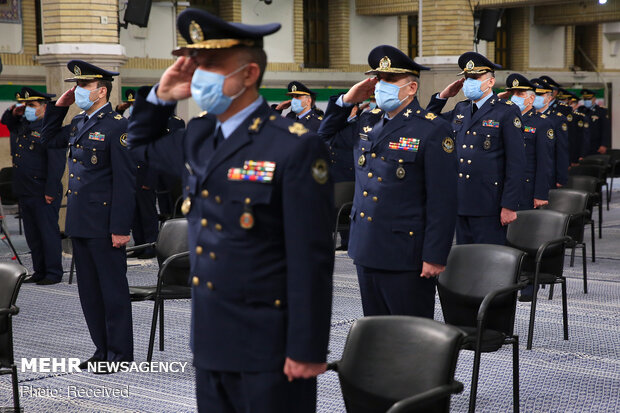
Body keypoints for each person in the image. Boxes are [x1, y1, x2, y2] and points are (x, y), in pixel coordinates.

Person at [126, 9, 334, 412]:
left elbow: (311, 257)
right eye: (196, 63)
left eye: (211, 64)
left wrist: (307, 348)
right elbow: (139, 147)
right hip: (210, 336)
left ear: (249, 74)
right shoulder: (200, 135)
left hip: (268, 343)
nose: (199, 74)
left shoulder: (294, 145)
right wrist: (160, 98)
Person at [318, 45, 457, 318]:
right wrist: (347, 100)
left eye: (390, 80)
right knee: (376, 330)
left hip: (406, 252)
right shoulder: (369, 122)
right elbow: (322, 138)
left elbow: (443, 199)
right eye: (379, 79)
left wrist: (435, 255)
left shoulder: (432, 128)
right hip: (366, 246)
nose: (382, 86)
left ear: (411, 88)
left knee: (409, 334)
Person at [41, 60, 136, 373]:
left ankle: (119, 354)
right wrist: (58, 106)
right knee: (90, 294)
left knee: (112, 292)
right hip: (80, 222)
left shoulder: (117, 127)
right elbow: (48, 139)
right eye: (77, 85)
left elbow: (125, 181)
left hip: (106, 225)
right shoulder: (80, 121)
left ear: (102, 91)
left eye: (84, 86)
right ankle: (102, 349)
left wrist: (121, 228)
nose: (78, 90)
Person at [426, 51, 525, 245]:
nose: (468, 82)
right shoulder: (461, 109)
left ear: (490, 82)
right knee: (465, 258)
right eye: (466, 78)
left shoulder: (506, 111)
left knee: (488, 261)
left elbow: (516, 162)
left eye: (474, 77)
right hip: (461, 199)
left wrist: (509, 205)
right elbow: (428, 123)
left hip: (489, 202)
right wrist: (443, 96)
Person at [1, 87, 65, 285]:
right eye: (25, 104)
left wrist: (51, 191)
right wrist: (14, 111)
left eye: (31, 105)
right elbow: (6, 122)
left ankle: (53, 272)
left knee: (47, 233)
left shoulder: (50, 129)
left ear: (44, 108)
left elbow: (56, 165)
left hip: (42, 190)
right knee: (33, 235)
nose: (26, 108)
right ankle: (39, 270)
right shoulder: (24, 125)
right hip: (25, 190)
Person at [502, 74, 553, 210]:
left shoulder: (542, 123)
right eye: (512, 93)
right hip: (504, 184)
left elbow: (544, 161)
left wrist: (541, 194)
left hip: (526, 186)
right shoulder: (505, 118)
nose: (515, 97)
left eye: (520, 93)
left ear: (531, 98)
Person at [530, 78, 569, 189]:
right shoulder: (526, 117)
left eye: (540, 95)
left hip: (549, 173)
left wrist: (561, 177)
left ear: (550, 98)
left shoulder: (557, 119)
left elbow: (561, 150)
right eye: (534, 94)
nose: (536, 98)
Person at [580, 88, 611, 155]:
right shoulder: (581, 111)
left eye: (589, 99)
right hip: (582, 146)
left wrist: (604, 145)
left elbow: (606, 129)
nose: (587, 101)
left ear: (594, 99)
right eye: (585, 99)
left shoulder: (601, 111)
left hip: (596, 146)